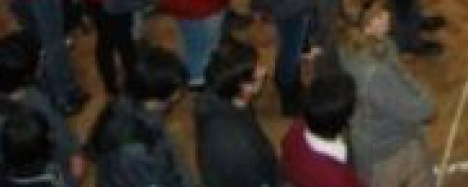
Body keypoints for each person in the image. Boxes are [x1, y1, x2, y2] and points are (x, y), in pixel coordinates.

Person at [334, 0, 438, 187]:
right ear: (366, 27)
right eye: (379, 16)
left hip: (375, 137)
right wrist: (426, 102)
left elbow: (399, 74)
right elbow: (417, 110)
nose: (387, 16)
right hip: (388, 151)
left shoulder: (354, 46)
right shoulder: (374, 72)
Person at [0, 32, 82, 186]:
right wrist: (70, 178)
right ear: (26, 76)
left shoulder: (31, 91)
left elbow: (57, 122)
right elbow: (19, 173)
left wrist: (73, 150)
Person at [88, 45, 198, 187]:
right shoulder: (133, 149)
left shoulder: (127, 104)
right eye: (178, 90)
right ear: (160, 94)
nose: (181, 94)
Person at [196, 38, 280, 187]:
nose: (265, 71)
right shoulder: (233, 141)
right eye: (258, 68)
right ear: (243, 86)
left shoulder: (224, 99)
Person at [280, 71, 369, 187]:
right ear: (343, 121)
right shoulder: (337, 180)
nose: (359, 102)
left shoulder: (297, 127)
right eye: (355, 103)